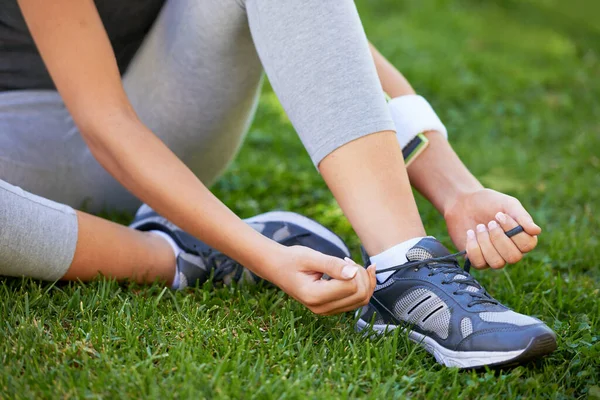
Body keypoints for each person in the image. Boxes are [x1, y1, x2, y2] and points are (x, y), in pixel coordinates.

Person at [0, 0, 556, 368]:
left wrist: (454, 186)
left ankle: (402, 268)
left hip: (160, 121)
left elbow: (326, 37)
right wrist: (262, 255)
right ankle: (173, 253)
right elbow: (104, 125)